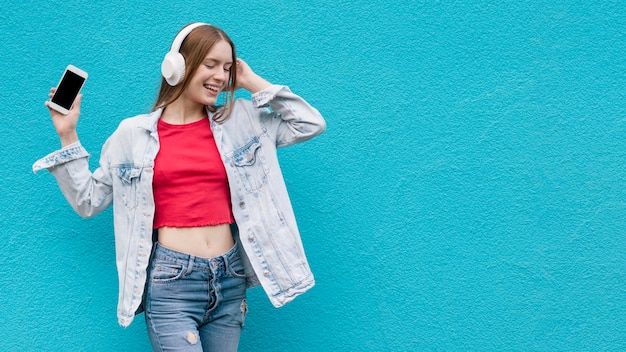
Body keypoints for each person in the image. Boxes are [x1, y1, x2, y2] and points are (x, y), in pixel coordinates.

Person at [33, 22, 326, 351]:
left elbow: (309, 123)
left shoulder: (240, 120)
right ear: (178, 66)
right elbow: (88, 201)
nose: (220, 76)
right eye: (210, 64)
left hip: (230, 278)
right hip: (172, 283)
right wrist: (67, 133)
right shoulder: (132, 134)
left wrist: (249, 80)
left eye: (227, 68)